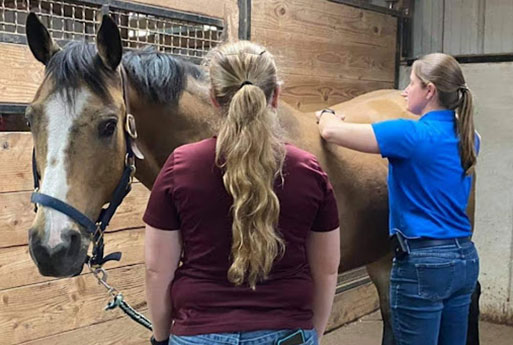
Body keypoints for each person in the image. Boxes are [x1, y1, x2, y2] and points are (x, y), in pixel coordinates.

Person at [143, 41, 340, 345]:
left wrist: (161, 337)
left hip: (198, 333)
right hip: (289, 331)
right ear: (275, 96)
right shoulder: (308, 170)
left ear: (213, 97)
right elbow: (327, 270)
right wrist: (313, 331)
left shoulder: (180, 166)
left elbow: (157, 270)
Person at [316, 53, 480, 345]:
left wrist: (327, 112)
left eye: (412, 83)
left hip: (422, 264)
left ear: (429, 91)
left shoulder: (408, 134)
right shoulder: (469, 136)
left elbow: (330, 131)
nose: (405, 90)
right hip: (464, 259)